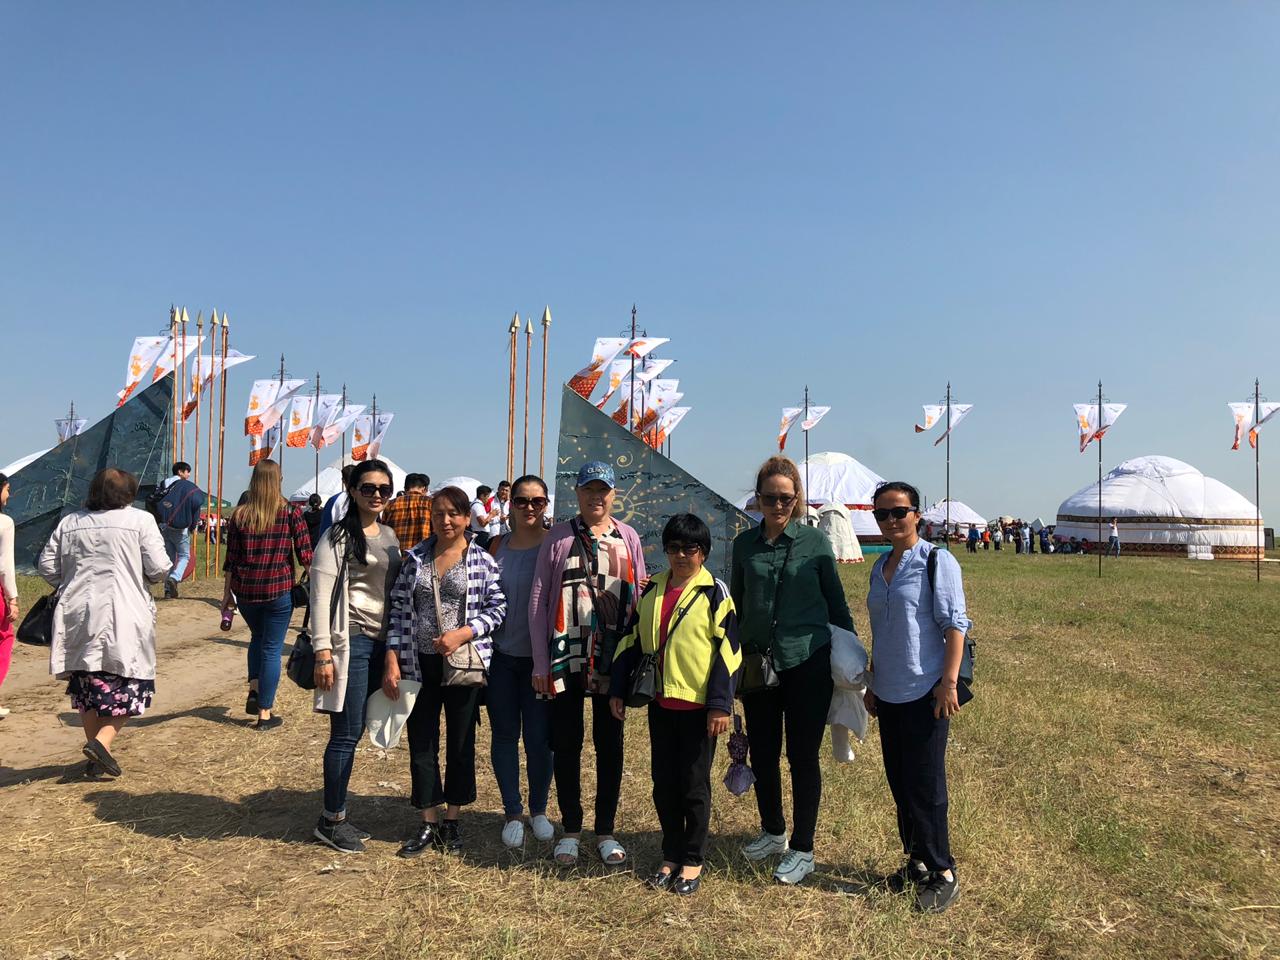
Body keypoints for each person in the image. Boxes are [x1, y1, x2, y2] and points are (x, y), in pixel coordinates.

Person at [731, 455, 856, 886]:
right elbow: (738, 605)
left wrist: (851, 653)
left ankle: (803, 848)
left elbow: (836, 602)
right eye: (770, 498)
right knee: (763, 753)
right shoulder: (744, 546)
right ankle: (773, 831)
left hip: (807, 660)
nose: (778, 505)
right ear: (758, 499)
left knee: (802, 756)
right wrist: (732, 661)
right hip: (758, 664)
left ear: (798, 498)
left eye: (786, 498)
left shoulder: (816, 543)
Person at [610, 514, 741, 896]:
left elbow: (730, 652)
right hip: (661, 703)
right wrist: (617, 688)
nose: (681, 555)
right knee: (664, 784)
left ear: (704, 552)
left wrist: (720, 704)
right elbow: (631, 640)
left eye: (690, 548)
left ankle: (693, 859)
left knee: (693, 787)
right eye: (673, 548)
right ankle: (670, 854)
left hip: (700, 709)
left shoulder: (715, 592)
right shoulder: (652, 589)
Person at [528, 460, 647, 867]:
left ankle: (606, 830)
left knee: (610, 744)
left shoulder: (628, 536)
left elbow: (637, 599)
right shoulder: (559, 536)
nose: (596, 497)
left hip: (613, 660)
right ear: (577, 493)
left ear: (614, 495)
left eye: (603, 490)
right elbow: (539, 599)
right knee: (567, 743)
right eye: (588, 490)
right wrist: (541, 662)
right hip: (567, 656)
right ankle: (571, 828)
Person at [864, 480, 971, 913]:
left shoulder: (936, 561)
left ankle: (943, 870)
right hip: (888, 691)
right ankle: (917, 861)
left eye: (899, 512)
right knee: (900, 781)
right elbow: (882, 629)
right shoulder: (879, 567)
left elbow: (955, 624)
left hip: (925, 690)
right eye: (882, 514)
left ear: (917, 515)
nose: (891, 520)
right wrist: (873, 682)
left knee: (926, 785)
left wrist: (948, 682)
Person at [384, 486, 506, 857]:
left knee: (461, 741)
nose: (446, 520)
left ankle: (452, 819)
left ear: (468, 518)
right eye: (439, 513)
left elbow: (498, 609)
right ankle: (428, 819)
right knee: (421, 741)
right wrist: (391, 657)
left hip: (462, 663)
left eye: (454, 513)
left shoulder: (482, 561)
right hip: (417, 661)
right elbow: (398, 609)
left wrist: (463, 633)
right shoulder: (414, 558)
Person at [38, 468, 170, 777]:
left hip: (77, 611)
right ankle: (101, 742)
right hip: (124, 610)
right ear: (129, 493)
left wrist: (70, 581)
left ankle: (97, 754)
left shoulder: (70, 522)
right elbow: (159, 568)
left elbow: (47, 566)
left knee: (86, 684)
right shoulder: (140, 521)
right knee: (130, 682)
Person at [310, 460, 401, 854]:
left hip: (382, 643)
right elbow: (319, 596)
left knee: (359, 729)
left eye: (384, 489)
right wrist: (322, 652)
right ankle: (331, 820)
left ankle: (337, 813)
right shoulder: (337, 536)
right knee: (346, 733)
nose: (376, 495)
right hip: (352, 641)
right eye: (368, 488)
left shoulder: (390, 535)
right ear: (352, 490)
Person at [485, 475, 555, 848]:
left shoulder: (557, 547)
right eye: (522, 500)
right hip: (501, 659)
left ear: (546, 505)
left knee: (540, 740)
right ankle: (512, 811)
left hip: (541, 663)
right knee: (504, 735)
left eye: (537, 501)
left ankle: (539, 809)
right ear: (509, 503)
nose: (530, 507)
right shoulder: (494, 546)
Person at [222, 459, 313, 730]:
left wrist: (226, 595)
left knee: (257, 638)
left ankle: (254, 687)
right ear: (278, 480)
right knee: (272, 648)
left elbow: (231, 559)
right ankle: (265, 712)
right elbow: (305, 554)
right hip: (277, 588)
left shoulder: (239, 515)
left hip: (246, 590)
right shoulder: (290, 512)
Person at [154, 461, 206, 599]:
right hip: (180, 528)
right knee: (184, 556)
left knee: (169, 558)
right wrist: (192, 526)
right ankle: (175, 578)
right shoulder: (187, 487)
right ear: (180, 472)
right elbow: (196, 505)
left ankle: (167, 591)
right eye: (187, 471)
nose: (188, 474)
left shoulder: (164, 483)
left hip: (164, 526)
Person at [381, 473, 432, 553]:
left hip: (395, 554)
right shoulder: (431, 503)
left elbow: (383, 531)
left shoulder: (390, 504)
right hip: (421, 556)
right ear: (424, 489)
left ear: (405, 488)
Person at [0, 474, 16, 718]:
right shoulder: (4, 522)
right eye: (7, 489)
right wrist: (12, 598)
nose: (8, 494)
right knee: (5, 637)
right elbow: (5, 565)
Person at [317, 465, 355, 541]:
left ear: (343, 480)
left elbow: (324, 532)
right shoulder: (368, 499)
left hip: (340, 543)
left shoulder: (334, 500)